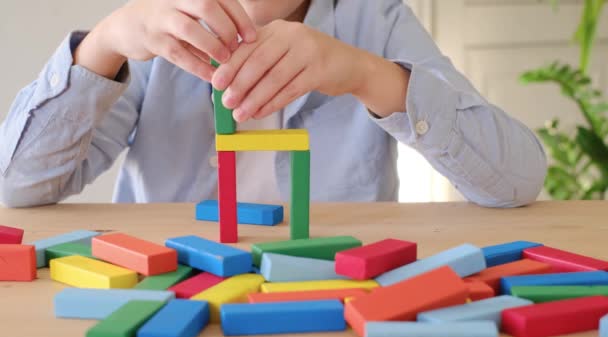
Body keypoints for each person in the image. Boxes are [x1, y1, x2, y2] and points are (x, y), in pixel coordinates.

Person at [0, 0, 546, 208]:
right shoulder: (156, 29)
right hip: (172, 294)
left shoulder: (375, 21)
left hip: (329, 299)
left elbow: (517, 179)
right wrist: (103, 43)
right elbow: (15, 186)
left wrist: (365, 74)